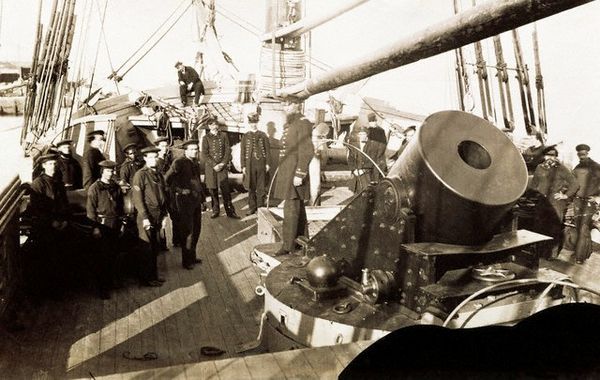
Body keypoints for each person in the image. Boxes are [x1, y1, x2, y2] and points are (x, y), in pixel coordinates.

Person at [272, 101, 314, 256]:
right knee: (297, 209)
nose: (286, 108)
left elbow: (307, 150)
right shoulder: (292, 123)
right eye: (285, 105)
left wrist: (300, 173)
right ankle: (302, 241)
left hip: (294, 173)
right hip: (287, 172)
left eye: (289, 105)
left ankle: (288, 246)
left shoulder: (302, 123)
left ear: (299, 105)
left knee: (290, 209)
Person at [29, 154, 70, 295]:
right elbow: (37, 209)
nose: (54, 166)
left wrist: (64, 220)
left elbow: (65, 204)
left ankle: (59, 290)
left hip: (61, 226)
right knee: (47, 260)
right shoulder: (38, 184)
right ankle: (48, 291)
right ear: (44, 166)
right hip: (46, 228)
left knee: (60, 258)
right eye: (51, 164)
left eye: (54, 163)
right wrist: (51, 222)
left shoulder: (58, 183)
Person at [530, 145, 578, 257]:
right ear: (544, 156)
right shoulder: (539, 167)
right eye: (548, 155)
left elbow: (575, 184)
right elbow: (534, 184)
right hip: (542, 202)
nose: (550, 157)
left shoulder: (561, 168)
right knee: (539, 227)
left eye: (553, 155)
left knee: (554, 228)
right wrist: (536, 193)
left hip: (556, 203)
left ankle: (551, 254)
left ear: (556, 157)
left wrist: (565, 196)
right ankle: (539, 252)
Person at [86, 160, 124, 299]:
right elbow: (90, 211)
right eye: (107, 171)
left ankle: (111, 282)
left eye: (112, 171)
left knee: (113, 255)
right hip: (102, 225)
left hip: (114, 223)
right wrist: (95, 228)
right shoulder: (94, 188)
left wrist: (121, 223)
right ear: (102, 172)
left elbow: (119, 206)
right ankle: (102, 289)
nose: (110, 174)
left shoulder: (115, 187)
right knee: (102, 258)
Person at [165, 140, 205, 269]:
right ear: (186, 150)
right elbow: (167, 180)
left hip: (195, 201)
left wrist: (202, 199)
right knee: (187, 231)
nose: (195, 151)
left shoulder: (195, 163)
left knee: (196, 230)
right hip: (184, 203)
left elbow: (198, 182)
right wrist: (180, 190)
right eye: (192, 149)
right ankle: (186, 261)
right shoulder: (179, 163)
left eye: (196, 149)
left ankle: (192, 256)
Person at [132, 147, 168, 286]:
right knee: (146, 248)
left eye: (155, 157)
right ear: (145, 158)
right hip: (146, 215)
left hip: (158, 214)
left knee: (154, 247)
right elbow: (138, 199)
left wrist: (164, 215)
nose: (154, 160)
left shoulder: (158, 174)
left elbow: (163, 195)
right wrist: (145, 217)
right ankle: (146, 279)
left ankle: (153, 276)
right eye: (151, 157)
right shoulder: (140, 175)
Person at [201, 119, 240, 219]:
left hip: (222, 167)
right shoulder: (206, 138)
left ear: (218, 126)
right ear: (209, 127)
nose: (214, 126)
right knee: (212, 190)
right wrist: (214, 165)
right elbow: (204, 154)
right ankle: (215, 211)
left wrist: (223, 163)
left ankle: (230, 212)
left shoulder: (223, 136)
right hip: (211, 168)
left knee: (225, 190)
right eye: (211, 125)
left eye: (215, 124)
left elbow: (228, 150)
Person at [569, 144, 600, 264]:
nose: (582, 156)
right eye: (579, 154)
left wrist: (597, 198)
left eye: (584, 154)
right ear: (578, 154)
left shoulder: (596, 167)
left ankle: (580, 256)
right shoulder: (577, 168)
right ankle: (580, 252)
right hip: (577, 201)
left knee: (583, 228)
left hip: (588, 203)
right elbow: (572, 184)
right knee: (578, 226)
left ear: (587, 153)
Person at [240, 113, 270, 215]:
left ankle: (260, 207)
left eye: (255, 122)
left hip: (261, 163)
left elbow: (267, 150)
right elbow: (243, 151)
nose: (253, 124)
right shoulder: (245, 136)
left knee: (261, 186)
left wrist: (268, 164)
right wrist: (243, 165)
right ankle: (252, 207)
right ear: (249, 123)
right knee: (251, 186)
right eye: (252, 122)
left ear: (257, 122)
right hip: (249, 164)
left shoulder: (263, 135)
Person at [348, 126, 386, 193]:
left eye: (363, 134)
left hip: (367, 174)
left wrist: (364, 170)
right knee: (356, 195)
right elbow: (350, 159)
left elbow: (373, 160)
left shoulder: (372, 146)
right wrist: (353, 170)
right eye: (360, 134)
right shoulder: (354, 145)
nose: (361, 136)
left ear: (367, 135)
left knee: (366, 193)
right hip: (356, 174)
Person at [365, 112, 388, 180]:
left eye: (374, 121)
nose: (373, 123)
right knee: (369, 171)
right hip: (369, 154)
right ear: (369, 122)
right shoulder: (368, 130)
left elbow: (383, 144)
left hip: (379, 154)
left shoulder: (381, 131)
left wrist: (379, 154)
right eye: (371, 121)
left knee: (378, 170)